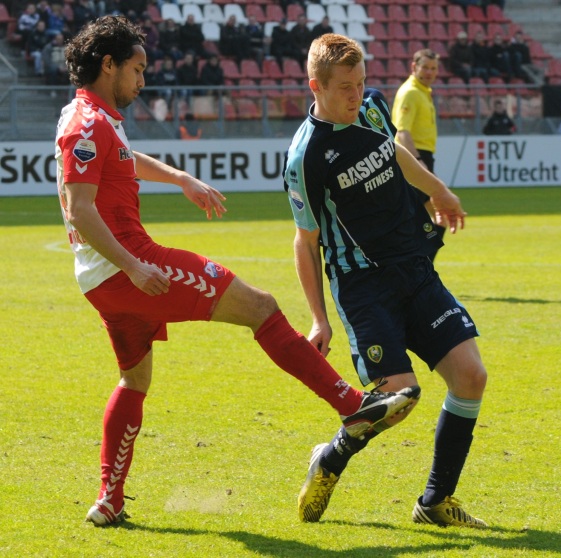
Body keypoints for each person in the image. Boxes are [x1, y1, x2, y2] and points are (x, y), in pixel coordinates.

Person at [56, 16, 419, 527]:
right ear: (108, 64)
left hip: (103, 282)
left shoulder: (89, 115)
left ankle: (109, 501)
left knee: (134, 378)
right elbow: (80, 209)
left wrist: (179, 177)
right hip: (129, 268)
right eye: (136, 69)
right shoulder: (87, 124)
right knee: (262, 308)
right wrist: (136, 267)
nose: (143, 80)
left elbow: (121, 158)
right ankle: (351, 404)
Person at [284, 33, 488, 528]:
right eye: (344, 89)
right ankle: (329, 459)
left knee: (470, 376)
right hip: (363, 287)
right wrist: (318, 320)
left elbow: (395, 152)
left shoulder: (373, 108)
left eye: (361, 84)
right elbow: (305, 242)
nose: (356, 95)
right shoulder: (306, 158)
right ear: (316, 86)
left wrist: (439, 191)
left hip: (414, 269)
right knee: (398, 397)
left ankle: (435, 502)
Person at [391, 48, 446, 260]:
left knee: (436, 215)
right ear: (414, 67)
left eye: (433, 68)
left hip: (419, 156)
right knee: (438, 214)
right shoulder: (411, 93)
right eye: (425, 67)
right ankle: (422, 269)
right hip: (414, 157)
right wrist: (420, 164)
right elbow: (402, 132)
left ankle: (422, 269)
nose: (430, 72)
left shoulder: (422, 91)